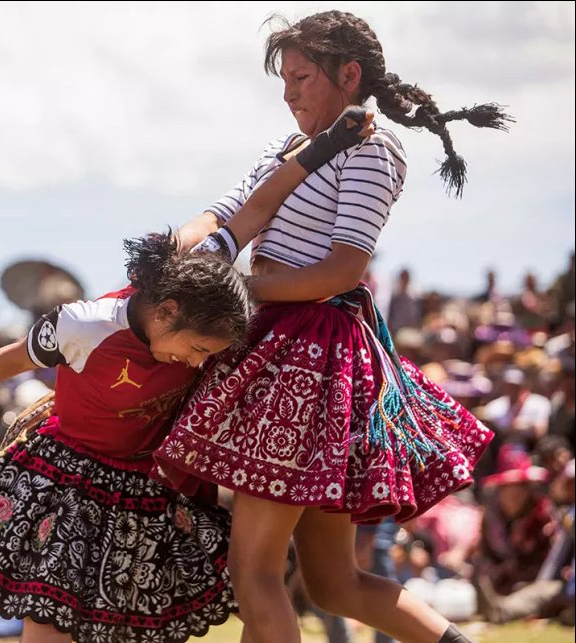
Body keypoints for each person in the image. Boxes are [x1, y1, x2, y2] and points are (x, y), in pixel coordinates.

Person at [0, 117, 371, 643]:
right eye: (198, 349)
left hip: (141, 484)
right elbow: (19, 356)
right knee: (49, 621)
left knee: (128, 625)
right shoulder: (86, 324)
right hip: (69, 479)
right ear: (167, 312)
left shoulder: (204, 276)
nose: (194, 362)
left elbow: (258, 207)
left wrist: (328, 146)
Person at [155, 10, 510, 643]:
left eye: (301, 77)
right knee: (331, 584)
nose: (288, 92)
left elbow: (344, 269)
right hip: (277, 342)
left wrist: (233, 292)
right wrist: (171, 250)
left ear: (349, 76)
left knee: (254, 570)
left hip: (306, 356)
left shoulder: (375, 148)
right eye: (283, 79)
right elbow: (228, 213)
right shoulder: (289, 148)